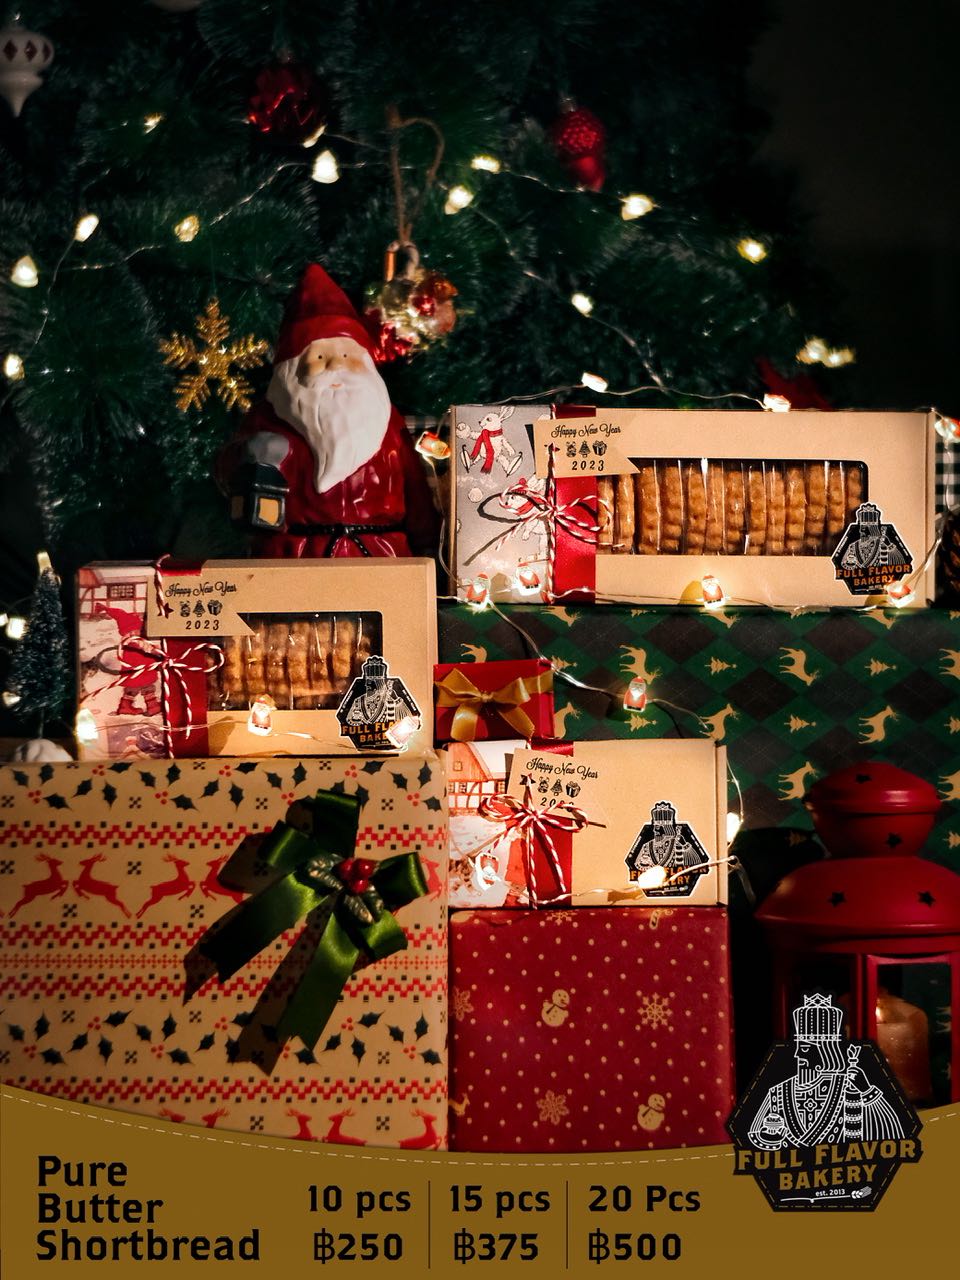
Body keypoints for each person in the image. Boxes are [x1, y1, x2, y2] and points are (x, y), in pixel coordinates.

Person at [217, 264, 439, 557]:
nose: (336, 365)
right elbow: (226, 471)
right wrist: (247, 455)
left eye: (346, 355)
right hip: (295, 557)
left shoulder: (387, 420)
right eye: (320, 357)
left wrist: (427, 543)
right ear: (292, 367)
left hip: (379, 554)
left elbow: (414, 487)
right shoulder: (269, 417)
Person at [747, 994, 905, 1149]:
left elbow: (893, 1131)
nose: (797, 1054)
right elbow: (752, 1138)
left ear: (825, 1051)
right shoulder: (779, 1092)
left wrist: (867, 1091)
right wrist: (771, 1138)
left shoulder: (849, 1087)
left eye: (805, 1048)